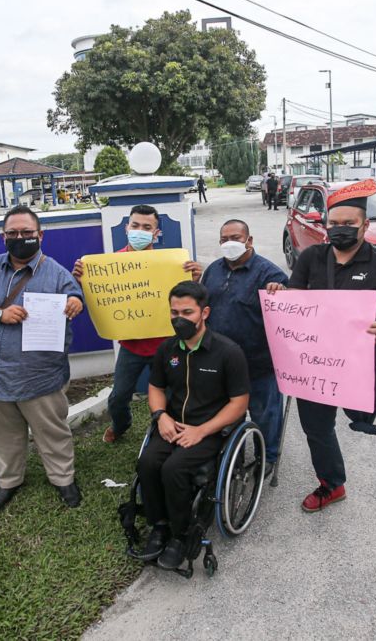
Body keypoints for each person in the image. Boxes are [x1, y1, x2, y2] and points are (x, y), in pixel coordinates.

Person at [275, 179, 376, 512]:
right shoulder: (311, 258)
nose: (340, 229)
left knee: (357, 417)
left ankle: (342, 459)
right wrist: (281, 298)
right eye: (334, 223)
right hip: (313, 360)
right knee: (316, 427)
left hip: (356, 363)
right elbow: (295, 303)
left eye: (348, 223)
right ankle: (332, 484)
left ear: (365, 225)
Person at [0, 205, 86, 512]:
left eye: (26, 232)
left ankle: (63, 479)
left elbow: (75, 296)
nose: (20, 237)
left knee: (52, 433)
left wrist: (74, 302)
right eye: (12, 233)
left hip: (41, 374)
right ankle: (9, 481)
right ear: (3, 237)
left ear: (40, 235)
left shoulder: (56, 272)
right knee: (4, 437)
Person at [136, 281, 250, 569]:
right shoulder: (167, 349)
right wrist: (160, 415)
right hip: (173, 423)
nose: (179, 319)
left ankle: (181, 534)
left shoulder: (228, 352)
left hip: (211, 429)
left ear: (204, 313)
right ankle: (159, 526)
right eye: (174, 313)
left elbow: (239, 403)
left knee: (174, 469)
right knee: (147, 462)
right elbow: (156, 387)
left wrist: (202, 430)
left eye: (187, 312)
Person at [72, 205, 202, 444]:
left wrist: (194, 279)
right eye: (135, 225)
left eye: (147, 227)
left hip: (165, 346)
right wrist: (83, 280)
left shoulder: (171, 264)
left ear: (156, 233)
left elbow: (188, 301)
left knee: (173, 394)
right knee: (118, 397)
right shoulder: (108, 265)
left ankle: (168, 431)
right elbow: (99, 297)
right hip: (131, 347)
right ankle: (120, 426)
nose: (140, 231)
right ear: (126, 228)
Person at [198, 219, 289, 476]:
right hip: (221, 364)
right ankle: (232, 456)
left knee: (265, 414)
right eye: (224, 239)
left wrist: (282, 292)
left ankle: (267, 457)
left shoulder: (269, 274)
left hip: (259, 363)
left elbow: (291, 312)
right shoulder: (213, 271)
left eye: (235, 238)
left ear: (249, 240)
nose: (230, 243)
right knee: (227, 414)